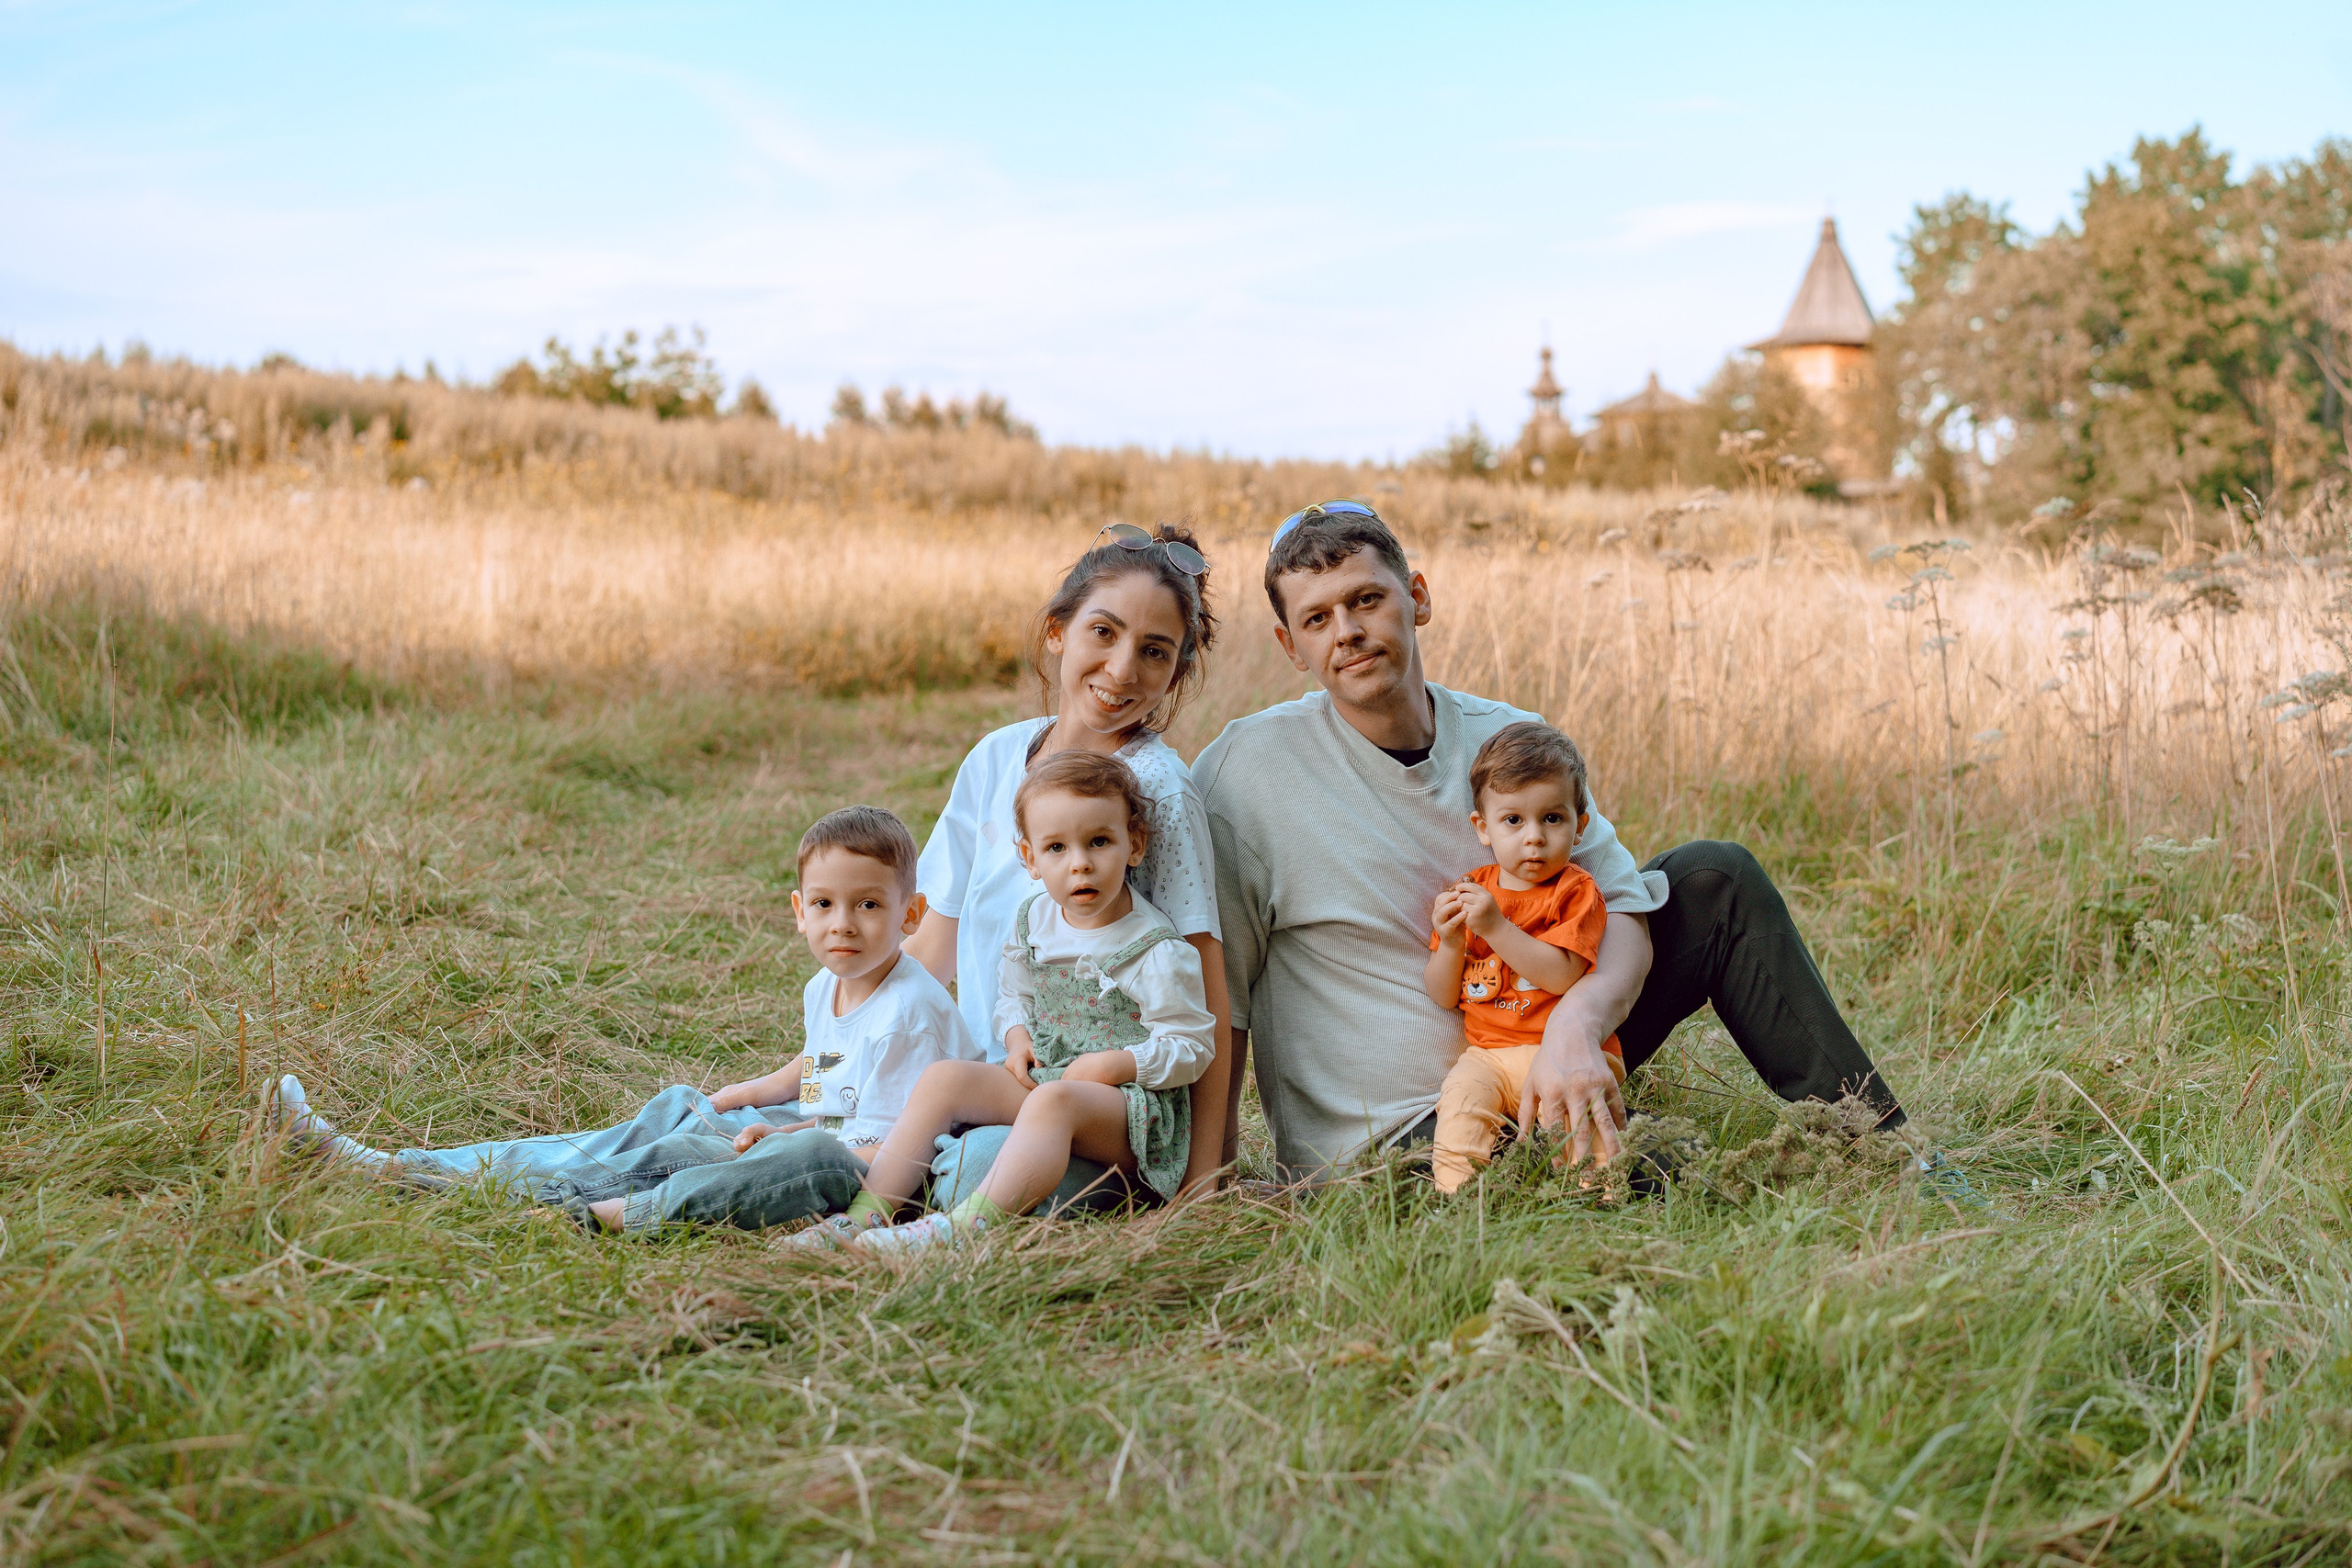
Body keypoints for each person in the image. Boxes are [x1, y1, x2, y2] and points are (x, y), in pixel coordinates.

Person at [1194, 501, 1903, 1183]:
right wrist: (1211, 1186)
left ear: (1417, 597)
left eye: (1366, 600)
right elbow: (1221, 997)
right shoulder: (1248, 774)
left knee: (1714, 878)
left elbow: (1623, 906)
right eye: (1317, 618)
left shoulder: (1507, 740)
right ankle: (1591, 1153)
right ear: (1291, 645)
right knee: (1665, 1172)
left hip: (1539, 1049)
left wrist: (1577, 1026)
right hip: (1397, 1139)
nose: (1346, 630)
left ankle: (1895, 1154)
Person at [276, 806, 986, 1234]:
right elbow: (831, 1067)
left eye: (868, 905)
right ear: (799, 912)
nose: (845, 924)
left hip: (845, 1169)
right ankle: (408, 1167)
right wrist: (752, 1093)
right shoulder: (826, 987)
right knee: (681, 1108)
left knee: (682, 1159)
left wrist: (784, 1129)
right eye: (825, 904)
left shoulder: (914, 1012)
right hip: (802, 1133)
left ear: (911, 914)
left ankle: (558, 1205)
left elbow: (882, 1144)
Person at [907, 522, 1231, 1205]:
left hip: (1096, 1108)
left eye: (1155, 651)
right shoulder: (998, 756)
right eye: (1104, 632)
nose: (1121, 671)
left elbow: (1205, 990)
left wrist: (1200, 1187)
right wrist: (837, 1046)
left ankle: (930, 1204)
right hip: (997, 1074)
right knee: (803, 1119)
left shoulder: (1156, 792)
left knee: (966, 1168)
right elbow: (931, 951)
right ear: (1058, 630)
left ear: (1177, 670)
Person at [813, 752, 1216, 1252]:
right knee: (946, 1078)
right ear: (1029, 858)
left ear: (1134, 843)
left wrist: (1118, 1064)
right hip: (1052, 1079)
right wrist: (1016, 1037)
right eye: (1056, 847)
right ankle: (863, 1217)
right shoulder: (1034, 920)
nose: (1080, 863)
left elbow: (1193, 1044)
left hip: (1134, 1117)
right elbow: (1014, 995)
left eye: (1099, 842)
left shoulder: (1153, 949)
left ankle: (963, 1229)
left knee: (1052, 1101)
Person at [1422, 722, 1619, 1194]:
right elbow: (1443, 994)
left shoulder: (1576, 892)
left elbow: (1562, 975)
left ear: (1580, 825)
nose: (1534, 837)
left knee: (1580, 1123)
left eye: (1552, 818)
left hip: (1562, 1052)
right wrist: (1451, 943)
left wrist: (1494, 928)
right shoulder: (1470, 892)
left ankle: (1595, 1196)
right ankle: (1455, 1195)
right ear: (1483, 828)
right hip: (1487, 1055)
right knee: (1461, 1103)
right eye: (1514, 820)